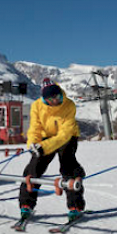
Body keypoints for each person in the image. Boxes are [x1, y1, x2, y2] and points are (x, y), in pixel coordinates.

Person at [18, 78, 86, 223]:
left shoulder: (69, 105)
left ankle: (75, 206)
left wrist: (45, 147)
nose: (55, 101)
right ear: (44, 98)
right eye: (51, 99)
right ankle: (26, 204)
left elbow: (64, 134)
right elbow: (35, 128)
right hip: (45, 137)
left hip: (67, 137)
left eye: (57, 97)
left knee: (68, 166)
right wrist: (33, 144)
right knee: (33, 168)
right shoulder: (36, 106)